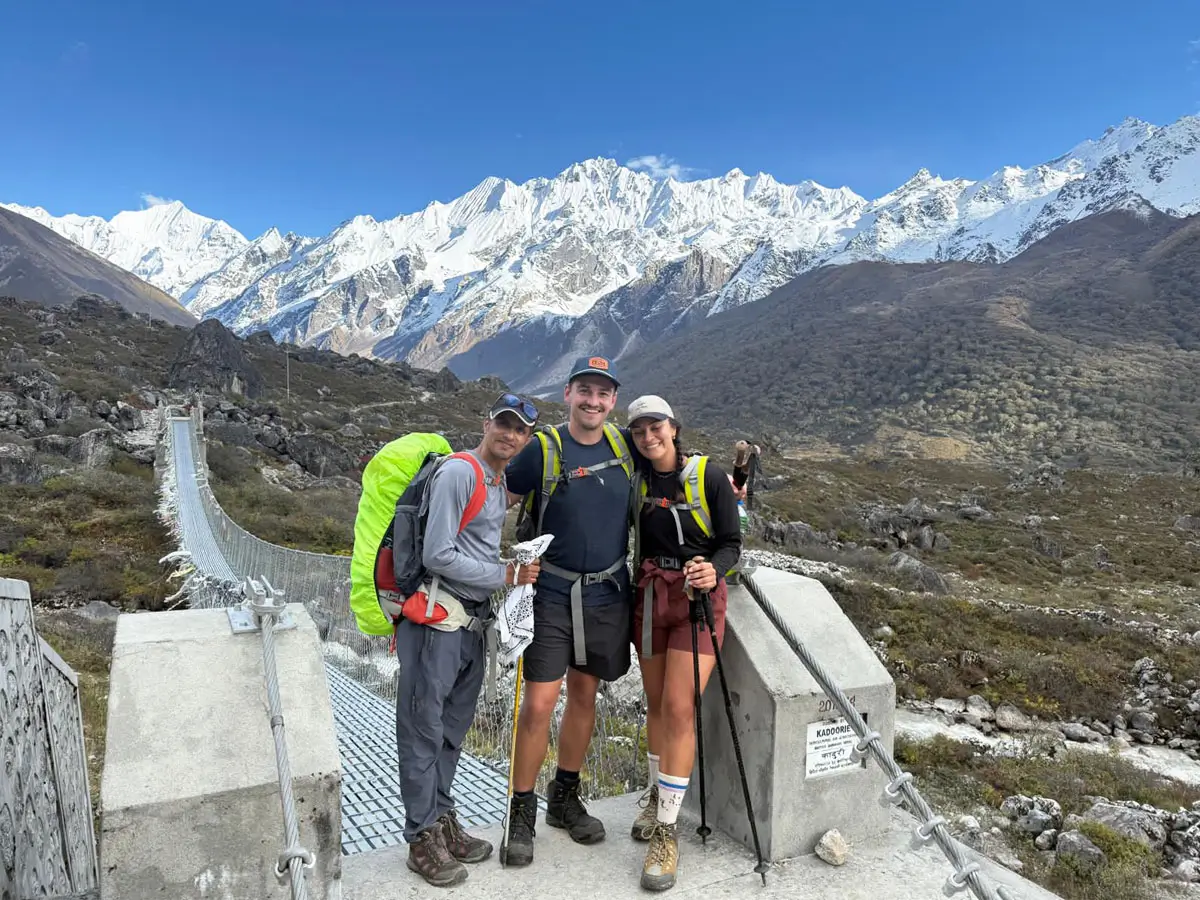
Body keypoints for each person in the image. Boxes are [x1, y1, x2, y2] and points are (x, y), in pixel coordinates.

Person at [397, 393, 542, 888]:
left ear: (525, 440)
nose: (510, 434)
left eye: (519, 430)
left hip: (471, 624)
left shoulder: (497, 482)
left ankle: (441, 818)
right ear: (487, 423)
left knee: (450, 730)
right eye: (504, 424)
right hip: (438, 620)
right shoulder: (461, 473)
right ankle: (422, 838)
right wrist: (505, 573)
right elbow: (438, 553)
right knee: (423, 728)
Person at [500, 354, 638, 866]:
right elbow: (497, 499)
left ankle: (564, 797)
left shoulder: (626, 447)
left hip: (607, 593)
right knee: (538, 704)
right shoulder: (542, 449)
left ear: (613, 401)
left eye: (603, 394)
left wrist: (722, 491)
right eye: (585, 390)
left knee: (585, 696)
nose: (593, 401)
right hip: (551, 594)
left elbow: (669, 476)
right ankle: (521, 812)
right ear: (568, 394)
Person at [625, 395, 741, 892]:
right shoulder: (637, 482)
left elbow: (732, 541)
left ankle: (668, 829)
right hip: (652, 598)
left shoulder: (708, 476)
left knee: (678, 707)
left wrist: (715, 567)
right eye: (639, 431)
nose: (648, 437)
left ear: (673, 427)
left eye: (656, 427)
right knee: (655, 705)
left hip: (697, 602)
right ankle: (656, 796)